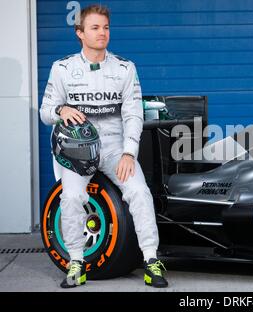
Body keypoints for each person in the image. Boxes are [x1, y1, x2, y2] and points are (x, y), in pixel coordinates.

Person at [39, 4, 168, 288]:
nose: (102, 33)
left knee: (139, 191)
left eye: (106, 28)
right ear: (80, 33)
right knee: (71, 197)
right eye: (95, 28)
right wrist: (61, 109)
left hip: (113, 146)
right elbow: (45, 111)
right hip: (75, 150)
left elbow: (133, 114)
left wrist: (128, 153)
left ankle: (151, 260)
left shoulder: (125, 68)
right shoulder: (62, 68)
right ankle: (76, 262)